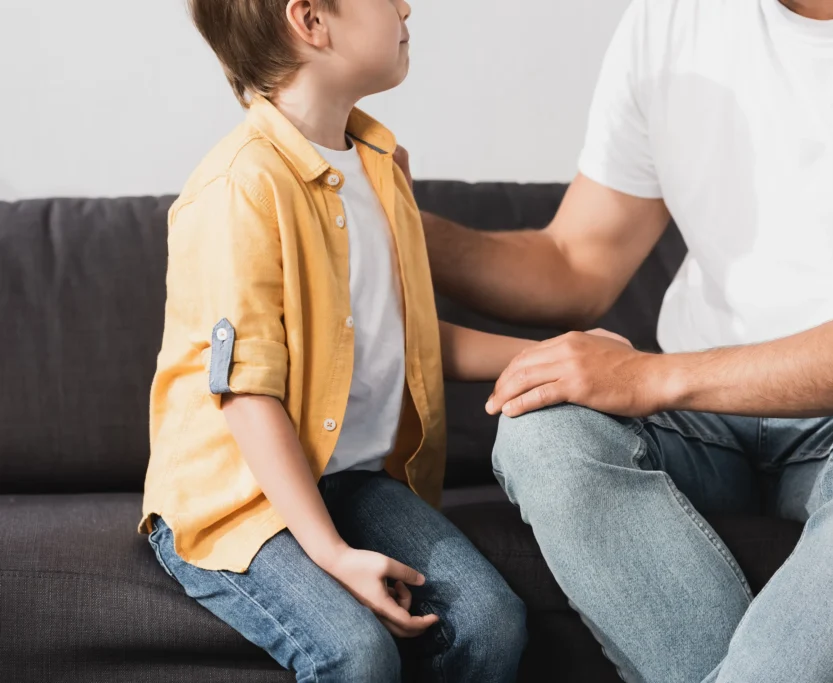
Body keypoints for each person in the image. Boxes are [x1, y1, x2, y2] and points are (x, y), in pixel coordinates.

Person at [418, 0, 833, 681]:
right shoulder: (670, 18)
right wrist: (397, 225)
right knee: (541, 429)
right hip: (703, 432)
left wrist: (652, 376)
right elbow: (574, 261)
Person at [133, 0, 591, 680]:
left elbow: (406, 339)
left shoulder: (381, 166)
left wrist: (564, 357)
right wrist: (333, 553)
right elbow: (246, 394)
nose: (408, 7)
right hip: (235, 496)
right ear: (311, 20)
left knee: (494, 623)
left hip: (344, 477)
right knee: (358, 653)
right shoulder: (241, 186)